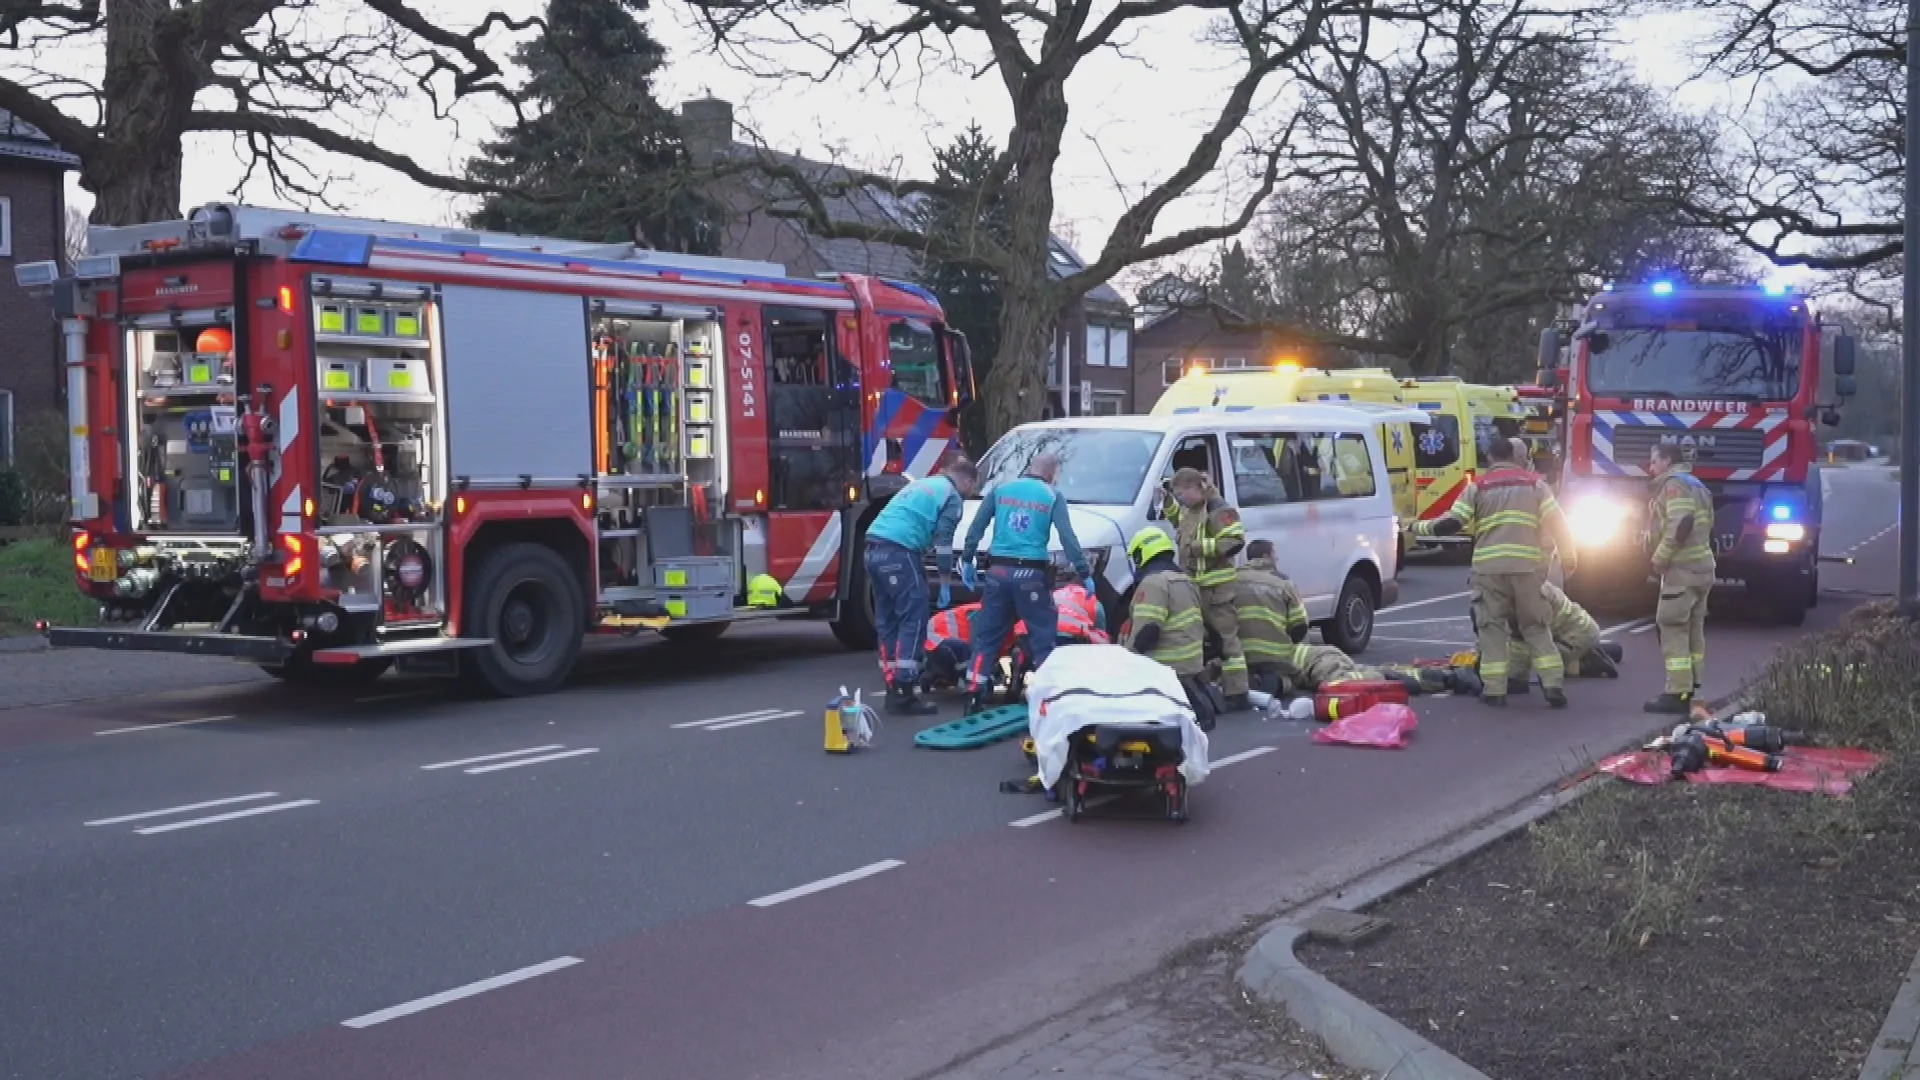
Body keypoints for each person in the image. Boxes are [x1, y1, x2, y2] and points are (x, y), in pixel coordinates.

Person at [1412, 436, 1576, 708]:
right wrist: (1569, 558)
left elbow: (1452, 523)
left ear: (1489, 458)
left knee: (1493, 630)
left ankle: (1495, 691)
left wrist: (1416, 528)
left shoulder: (1478, 487)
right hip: (1527, 570)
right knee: (1535, 627)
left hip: (1489, 571)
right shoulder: (1536, 485)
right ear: (1514, 456)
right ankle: (1553, 686)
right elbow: (1558, 523)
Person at [959, 452, 1094, 713]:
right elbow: (1068, 538)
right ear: (1052, 474)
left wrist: (967, 559)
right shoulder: (1052, 496)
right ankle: (1048, 701)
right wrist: (1084, 573)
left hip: (997, 572)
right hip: (1031, 575)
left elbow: (977, 527)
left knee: (988, 635)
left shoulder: (1001, 490)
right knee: (1042, 637)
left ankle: (974, 695)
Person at [862, 459, 980, 715]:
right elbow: (945, 544)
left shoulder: (924, 484)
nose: (970, 494)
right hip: (899, 552)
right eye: (972, 489)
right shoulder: (952, 497)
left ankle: (893, 685)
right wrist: (946, 582)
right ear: (968, 482)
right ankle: (905, 690)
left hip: (872, 549)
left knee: (888, 620)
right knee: (913, 618)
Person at [1162, 468, 1251, 710]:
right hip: (1196, 586)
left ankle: (1237, 692)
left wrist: (1200, 547)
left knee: (1226, 640)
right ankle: (1209, 687)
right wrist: (1167, 502)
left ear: (1195, 488)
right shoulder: (1192, 510)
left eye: (1182, 496)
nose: (1181, 501)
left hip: (1217, 588)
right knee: (1200, 640)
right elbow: (1179, 523)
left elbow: (1235, 540)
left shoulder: (1218, 508)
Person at [1120, 528, 1217, 731]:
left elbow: (1149, 629)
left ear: (1142, 553)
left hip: (1164, 667)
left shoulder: (1154, 583)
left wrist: (1129, 661)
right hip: (1189, 663)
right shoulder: (1186, 580)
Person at [1644, 443, 1716, 715]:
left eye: (1654, 462)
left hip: (1681, 569)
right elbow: (1707, 523)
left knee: (1671, 625)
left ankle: (1676, 692)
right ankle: (1692, 684)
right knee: (1693, 628)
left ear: (1667, 461)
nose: (1650, 468)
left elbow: (1681, 523)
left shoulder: (1674, 485)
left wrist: (1659, 558)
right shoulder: (1698, 485)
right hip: (1702, 568)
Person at [1507, 580, 1621, 691]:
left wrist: (1517, 679)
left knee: (1544, 663)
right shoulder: (1522, 584)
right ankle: (1589, 653)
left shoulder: (1532, 596)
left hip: (1578, 634)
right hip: (1572, 633)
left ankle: (1589, 664)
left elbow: (1526, 640)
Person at [1266, 640, 1480, 698]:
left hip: (1317, 663)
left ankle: (1388, 677)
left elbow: (1284, 681)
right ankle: (1449, 678)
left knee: (1345, 684)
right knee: (1363, 672)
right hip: (1319, 659)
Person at [1235, 539, 1311, 695]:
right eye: (1274, 554)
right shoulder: (1283, 583)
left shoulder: (1233, 579)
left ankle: (1249, 681)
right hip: (1276, 657)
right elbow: (1300, 625)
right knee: (1293, 681)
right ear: (1265, 556)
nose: (1277, 558)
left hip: (1241, 654)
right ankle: (1277, 683)